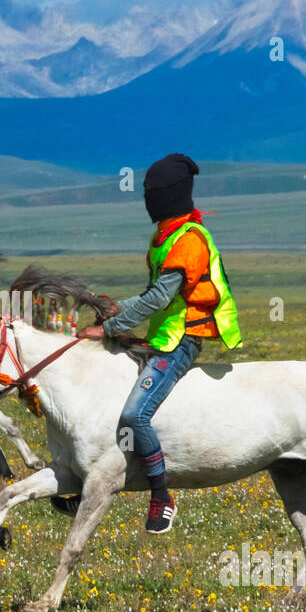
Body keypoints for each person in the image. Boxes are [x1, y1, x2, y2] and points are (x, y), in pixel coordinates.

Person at [75, 154, 241, 534]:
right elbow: (151, 295)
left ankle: (161, 495)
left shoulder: (189, 242)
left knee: (134, 416)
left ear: (169, 196)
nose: (148, 199)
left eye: (153, 193)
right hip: (162, 334)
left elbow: (158, 300)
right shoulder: (165, 236)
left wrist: (110, 326)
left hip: (182, 340)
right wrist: (113, 311)